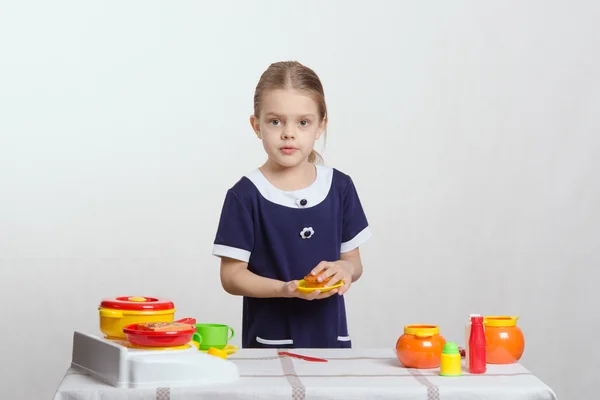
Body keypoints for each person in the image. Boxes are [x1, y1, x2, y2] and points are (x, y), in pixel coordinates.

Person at [212, 61, 372, 348]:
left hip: (331, 343)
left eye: (303, 122)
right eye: (275, 121)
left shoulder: (340, 187)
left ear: (320, 126)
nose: (288, 133)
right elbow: (232, 276)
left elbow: (353, 262)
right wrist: (286, 289)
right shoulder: (245, 195)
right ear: (256, 125)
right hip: (269, 346)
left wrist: (345, 271)